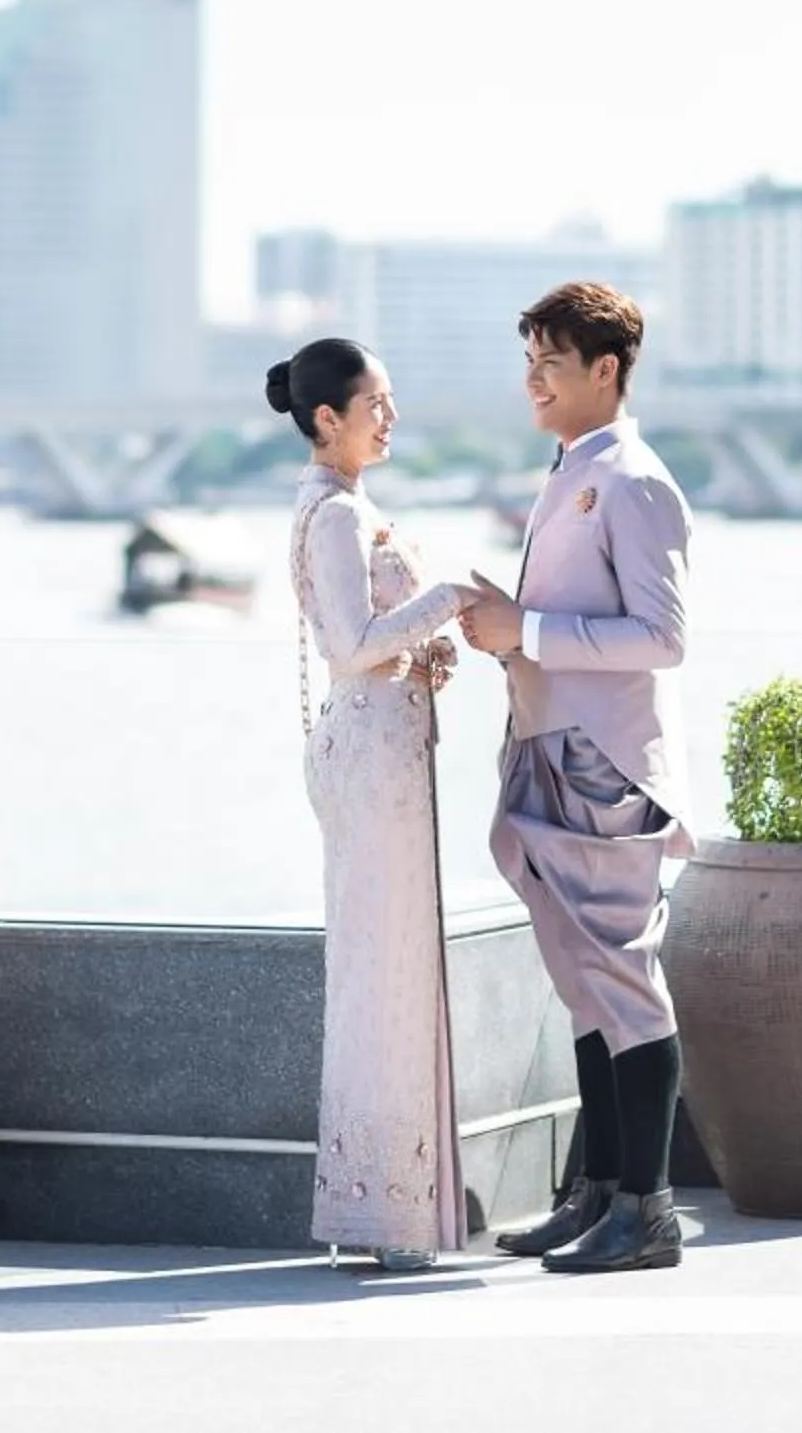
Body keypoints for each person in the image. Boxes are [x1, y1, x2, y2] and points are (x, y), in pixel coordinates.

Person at [461, 282, 695, 1274]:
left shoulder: (634, 480)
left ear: (607, 369)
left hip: (601, 766)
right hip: (550, 752)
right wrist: (505, 634)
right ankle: (599, 1192)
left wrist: (530, 633)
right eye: (530, 363)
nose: (535, 383)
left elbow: (664, 639)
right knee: (586, 987)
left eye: (552, 364)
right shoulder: (573, 470)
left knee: (625, 989)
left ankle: (646, 1211)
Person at [270, 338, 475, 1273]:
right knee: (386, 974)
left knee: (383, 968)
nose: (390, 418)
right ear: (327, 419)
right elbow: (352, 643)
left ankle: (378, 1204)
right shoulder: (339, 516)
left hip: (381, 751)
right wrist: (448, 598)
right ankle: (388, 1210)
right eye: (375, 404)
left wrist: (422, 653)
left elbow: (367, 649)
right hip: (373, 762)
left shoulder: (340, 507)